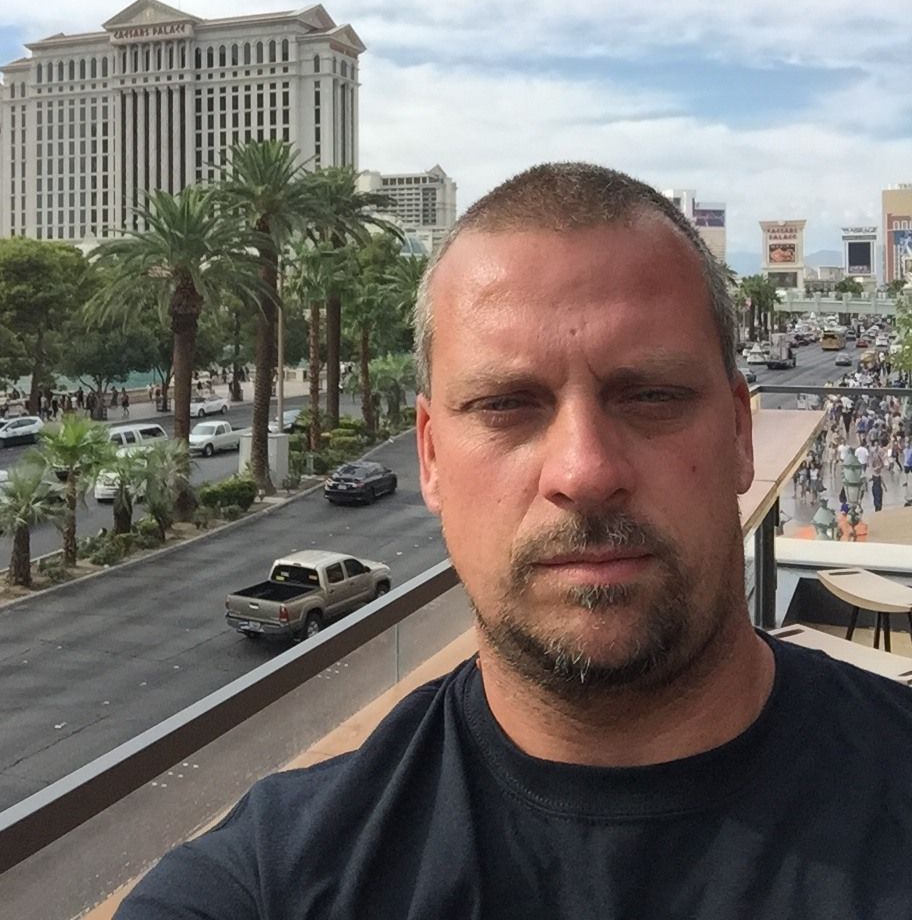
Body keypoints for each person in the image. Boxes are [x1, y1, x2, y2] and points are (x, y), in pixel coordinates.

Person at [116, 162, 912, 919]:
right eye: (505, 405)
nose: (584, 471)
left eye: (651, 395)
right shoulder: (265, 887)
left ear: (740, 432)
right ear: (430, 455)